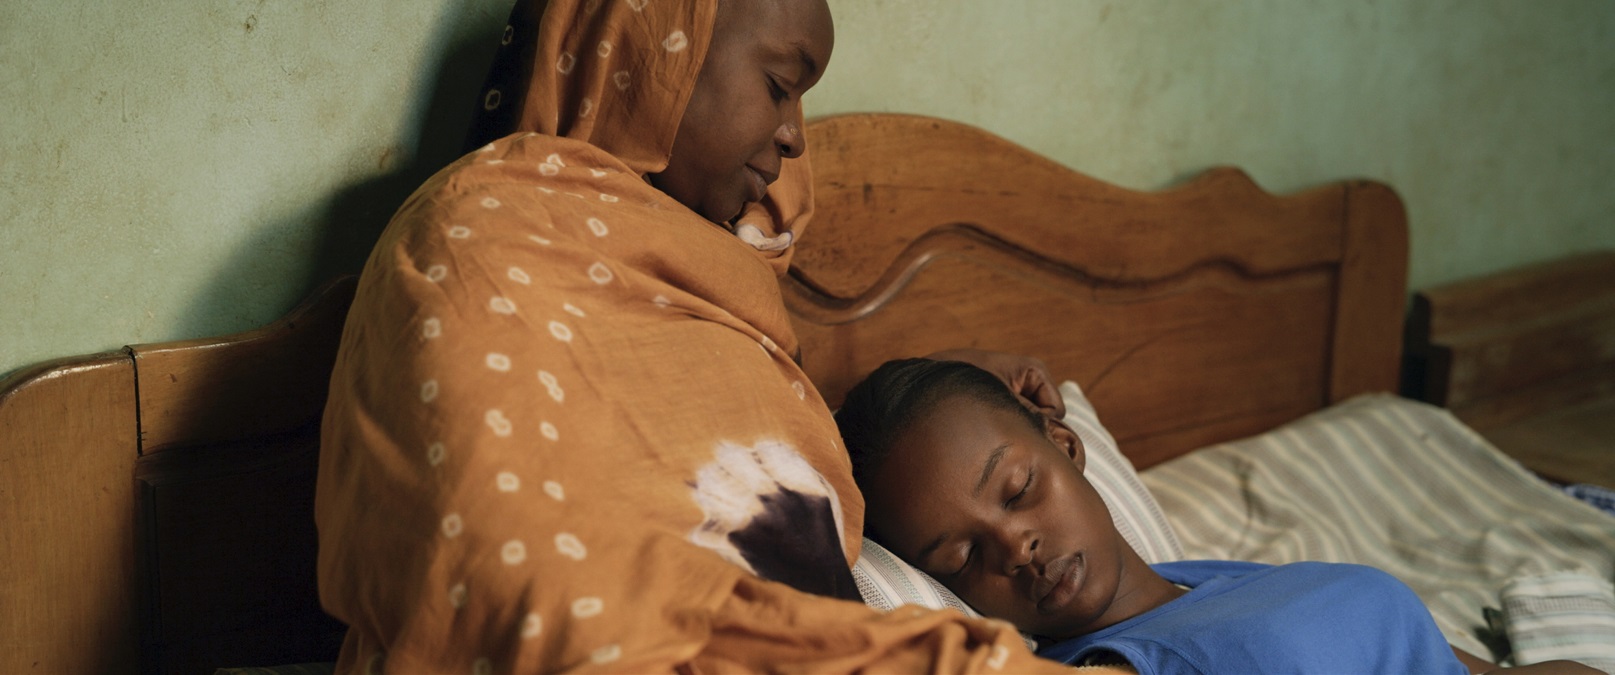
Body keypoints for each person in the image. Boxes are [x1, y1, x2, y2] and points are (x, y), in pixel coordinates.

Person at [314, 0, 1082, 672]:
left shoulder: (722, 300)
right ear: (652, 48)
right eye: (780, 86)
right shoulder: (477, 234)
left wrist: (951, 384)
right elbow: (495, 548)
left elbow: (744, 467)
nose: (792, 140)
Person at [835, 357, 1599, 675]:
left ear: (1065, 446)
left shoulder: (1204, 585)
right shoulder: (1110, 661)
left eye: (1016, 490)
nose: (1016, 547)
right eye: (960, 559)